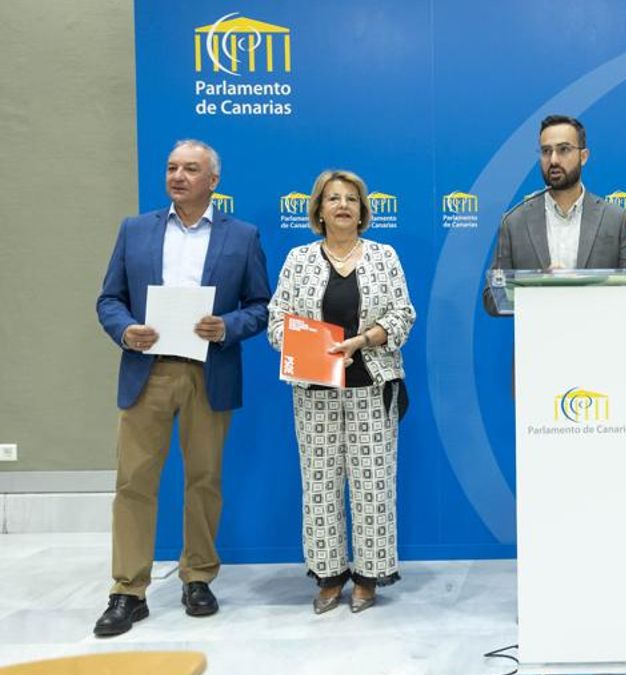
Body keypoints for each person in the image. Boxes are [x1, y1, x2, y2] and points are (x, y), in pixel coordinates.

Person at [94, 139, 270, 637]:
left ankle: (198, 578)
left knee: (204, 479)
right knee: (134, 482)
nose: (178, 176)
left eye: (191, 169)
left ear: (213, 181)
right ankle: (128, 591)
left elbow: (261, 305)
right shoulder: (134, 230)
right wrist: (125, 329)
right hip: (146, 371)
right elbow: (109, 299)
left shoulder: (243, 236)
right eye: (172, 167)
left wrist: (228, 326)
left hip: (208, 372)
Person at [268, 169, 416, 614]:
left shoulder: (384, 256)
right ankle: (330, 575)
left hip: (373, 384)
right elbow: (277, 322)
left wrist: (362, 340)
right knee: (319, 482)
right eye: (333, 198)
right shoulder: (298, 259)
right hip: (315, 388)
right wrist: (317, 349)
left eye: (351, 198)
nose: (343, 205)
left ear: (363, 209)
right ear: (319, 209)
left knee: (374, 482)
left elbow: (403, 315)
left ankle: (368, 577)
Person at [482, 114, 626, 315]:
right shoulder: (514, 221)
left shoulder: (615, 219)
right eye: (546, 151)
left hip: (599, 333)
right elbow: (492, 298)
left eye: (563, 149)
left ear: (583, 156)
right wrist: (537, 285)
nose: (553, 160)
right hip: (538, 334)